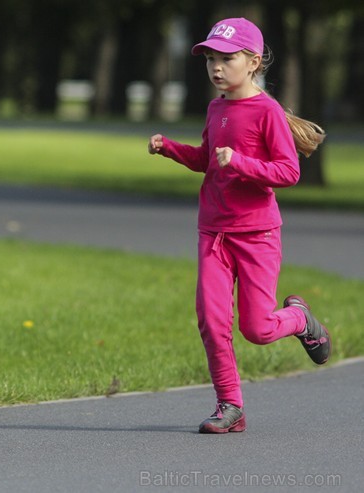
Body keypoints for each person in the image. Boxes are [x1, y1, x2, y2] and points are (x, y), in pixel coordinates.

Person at [147, 18, 330, 434]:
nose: (215, 67)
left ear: (252, 62)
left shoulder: (266, 112)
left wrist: (241, 163)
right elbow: (205, 160)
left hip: (257, 234)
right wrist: (170, 149)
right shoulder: (216, 108)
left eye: (226, 58)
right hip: (213, 232)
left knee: (258, 328)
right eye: (210, 58)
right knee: (212, 322)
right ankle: (229, 405)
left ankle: (299, 319)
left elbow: (288, 172)